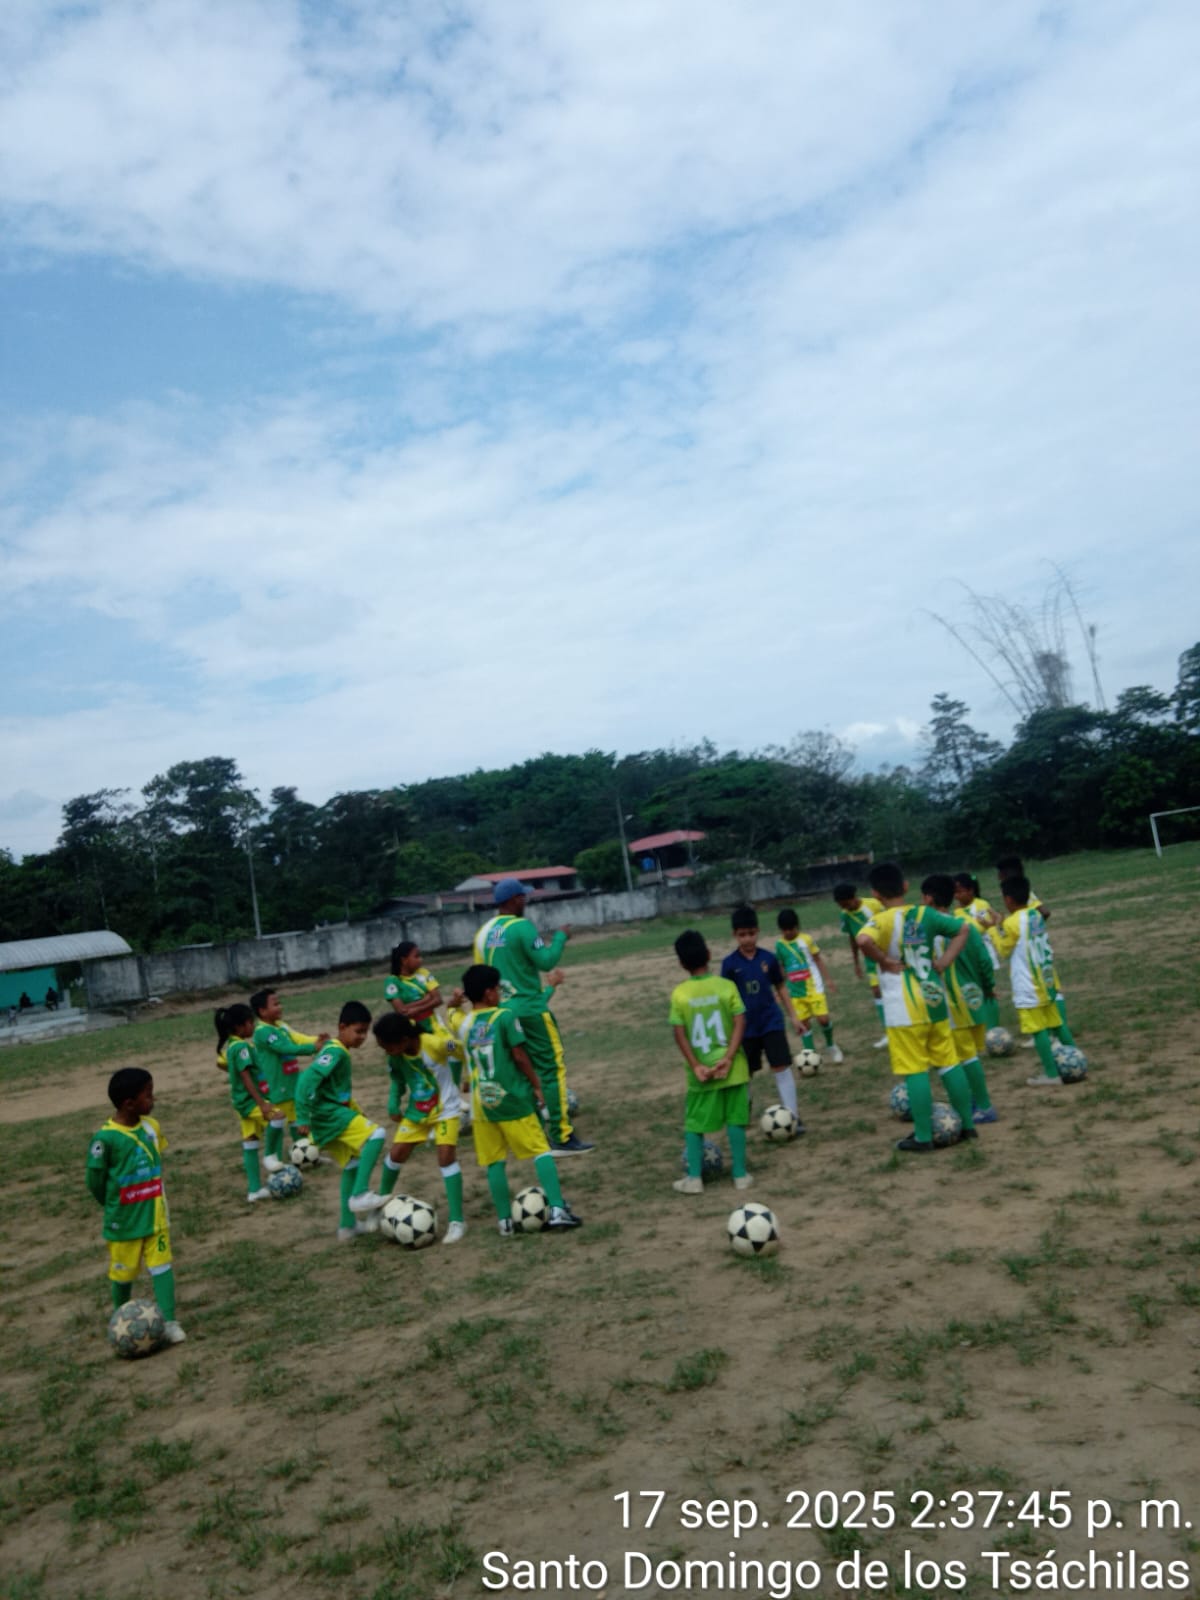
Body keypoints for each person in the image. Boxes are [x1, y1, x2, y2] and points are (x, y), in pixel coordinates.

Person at [855, 862, 976, 1153]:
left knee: (915, 1069)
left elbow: (863, 939)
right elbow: (963, 929)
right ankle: (968, 1125)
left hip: (903, 1006)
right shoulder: (926, 913)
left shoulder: (882, 920)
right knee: (949, 1062)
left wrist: (883, 961)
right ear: (906, 886)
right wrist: (944, 962)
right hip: (933, 998)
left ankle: (923, 1137)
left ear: (875, 894)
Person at [458, 963, 582, 1234]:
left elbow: (465, 1057)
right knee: (541, 1149)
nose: (500, 993)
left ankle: (504, 1222)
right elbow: (519, 1056)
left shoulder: (464, 1024)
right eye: (497, 989)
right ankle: (558, 1209)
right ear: (489, 992)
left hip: (482, 1103)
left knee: (494, 1160)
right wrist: (537, 1086)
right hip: (511, 1097)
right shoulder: (504, 1016)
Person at [473, 879, 592, 1156]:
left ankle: (538, 1135)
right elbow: (547, 960)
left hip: (501, 1013)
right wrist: (560, 937)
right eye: (522, 897)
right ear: (513, 900)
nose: (525, 902)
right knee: (551, 1069)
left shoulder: (483, 933)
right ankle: (562, 1136)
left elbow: (480, 975)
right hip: (531, 1011)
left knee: (523, 1072)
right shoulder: (522, 927)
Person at [86, 1067, 186, 1344]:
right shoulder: (105, 1139)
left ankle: (170, 1322)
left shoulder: (151, 1127)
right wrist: (113, 1205)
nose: (154, 1099)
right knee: (123, 1275)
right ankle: (121, 1323)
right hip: (124, 1221)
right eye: (148, 1095)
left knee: (162, 1266)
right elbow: (94, 1181)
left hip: (155, 1216)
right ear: (129, 1103)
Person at [293, 1001, 388, 1239]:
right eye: (358, 1031)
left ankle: (347, 1227)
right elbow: (306, 1080)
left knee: (352, 1163)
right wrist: (301, 1115)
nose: (362, 1037)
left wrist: (357, 1111)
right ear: (342, 1027)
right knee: (377, 1134)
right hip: (328, 1115)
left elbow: (338, 1091)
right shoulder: (335, 1051)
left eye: (365, 1032)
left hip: (328, 1115)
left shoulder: (339, 1051)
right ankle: (360, 1193)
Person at [670, 930, 752, 1194]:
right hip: (733, 1069)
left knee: (694, 1124)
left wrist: (696, 1065)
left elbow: (679, 1033)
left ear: (681, 963)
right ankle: (740, 1175)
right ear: (708, 954)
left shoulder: (680, 994)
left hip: (702, 1072)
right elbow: (740, 1021)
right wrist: (728, 1058)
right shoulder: (726, 986)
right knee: (736, 1120)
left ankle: (694, 1178)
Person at [373, 1012, 467, 1243]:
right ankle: (381, 1204)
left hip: (446, 1110)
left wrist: (470, 1073)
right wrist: (393, 1102)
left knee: (445, 1158)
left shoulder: (433, 1044)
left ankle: (457, 1221)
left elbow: (462, 1050)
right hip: (417, 1113)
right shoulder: (395, 1057)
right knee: (396, 1154)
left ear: (405, 1039)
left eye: (388, 1046)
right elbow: (397, 1081)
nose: (386, 1052)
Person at [986, 875, 1078, 1088]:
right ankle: (1076, 1062)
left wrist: (992, 928)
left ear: (1008, 899)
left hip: (1028, 984)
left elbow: (1003, 949)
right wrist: (1001, 923)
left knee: (1038, 1030)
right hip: (1046, 980)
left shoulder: (1012, 922)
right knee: (1057, 1024)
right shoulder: (1035, 915)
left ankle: (1051, 1073)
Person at [921, 876, 997, 1124]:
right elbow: (984, 960)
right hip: (973, 1000)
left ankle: (983, 1106)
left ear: (928, 899)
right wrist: (988, 988)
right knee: (970, 1055)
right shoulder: (967, 925)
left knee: (963, 1058)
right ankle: (974, 1101)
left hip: (952, 1004)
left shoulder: (929, 931)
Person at [720, 906, 803, 1127]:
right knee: (745, 1073)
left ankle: (793, 1117)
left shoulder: (769, 959)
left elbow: (781, 987)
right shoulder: (729, 965)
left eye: (751, 933)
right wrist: (728, 1030)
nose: (747, 939)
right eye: (742, 935)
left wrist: (793, 1017)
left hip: (771, 1022)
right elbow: (726, 1000)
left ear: (757, 931)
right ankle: (742, 1116)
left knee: (781, 1067)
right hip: (745, 1029)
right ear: (734, 935)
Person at [249, 988, 328, 1173]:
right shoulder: (263, 1032)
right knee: (277, 1120)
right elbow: (285, 1048)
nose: (280, 1007)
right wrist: (313, 1048)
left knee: (297, 1119)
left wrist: (317, 1040)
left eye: (279, 1003)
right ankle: (270, 1156)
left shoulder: (280, 1026)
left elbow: (298, 1038)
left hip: (292, 1082)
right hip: (277, 1086)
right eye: (275, 1004)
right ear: (262, 1011)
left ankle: (308, 1154)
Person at [217, 1002, 276, 1202]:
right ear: (240, 1026)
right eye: (251, 1022)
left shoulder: (233, 1045)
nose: (254, 1026)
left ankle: (254, 1190)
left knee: (250, 1141)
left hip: (241, 1102)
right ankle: (270, 1156)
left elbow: (224, 1065)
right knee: (278, 1118)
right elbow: (245, 1076)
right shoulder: (241, 1047)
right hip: (250, 1102)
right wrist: (261, 1103)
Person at [775, 908, 842, 1067]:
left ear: (797, 926)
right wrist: (779, 990)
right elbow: (781, 968)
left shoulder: (806, 940)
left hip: (813, 986)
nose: (788, 932)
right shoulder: (779, 945)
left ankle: (831, 1045)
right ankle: (810, 1054)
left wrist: (828, 980)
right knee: (803, 1023)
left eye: (791, 929)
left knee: (823, 1019)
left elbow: (817, 960)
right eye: (785, 930)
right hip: (795, 990)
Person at [833, 883, 887, 1047]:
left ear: (852, 898)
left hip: (886, 953)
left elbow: (888, 924)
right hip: (870, 959)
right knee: (876, 992)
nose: (844, 908)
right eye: (841, 906)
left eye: (845, 904)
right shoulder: (845, 915)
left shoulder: (873, 905)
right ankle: (888, 1033)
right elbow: (852, 938)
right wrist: (856, 962)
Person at [951, 874, 1002, 1026]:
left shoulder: (981, 904)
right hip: (969, 952)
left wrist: (975, 926)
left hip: (984, 950)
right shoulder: (956, 911)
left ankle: (992, 1024)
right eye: (955, 892)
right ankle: (980, 1019)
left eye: (960, 891)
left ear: (970, 890)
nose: (957, 896)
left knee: (988, 987)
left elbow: (983, 926)